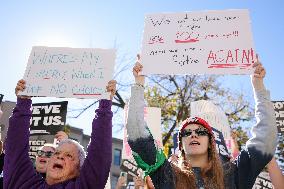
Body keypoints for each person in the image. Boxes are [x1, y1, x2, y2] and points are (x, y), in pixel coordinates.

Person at [126, 55, 277, 189]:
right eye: (186, 132)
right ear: (181, 145)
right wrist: (139, 84)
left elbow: (266, 140)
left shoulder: (234, 174)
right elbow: (137, 133)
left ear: (211, 141)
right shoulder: (167, 174)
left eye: (200, 131)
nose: (193, 135)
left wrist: (259, 87)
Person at [4, 79, 116, 188]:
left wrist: (105, 106)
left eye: (69, 155)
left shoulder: (83, 186)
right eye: (56, 153)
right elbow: (15, 147)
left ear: (79, 169)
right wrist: (23, 102)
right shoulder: (24, 183)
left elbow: (99, 153)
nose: (60, 157)